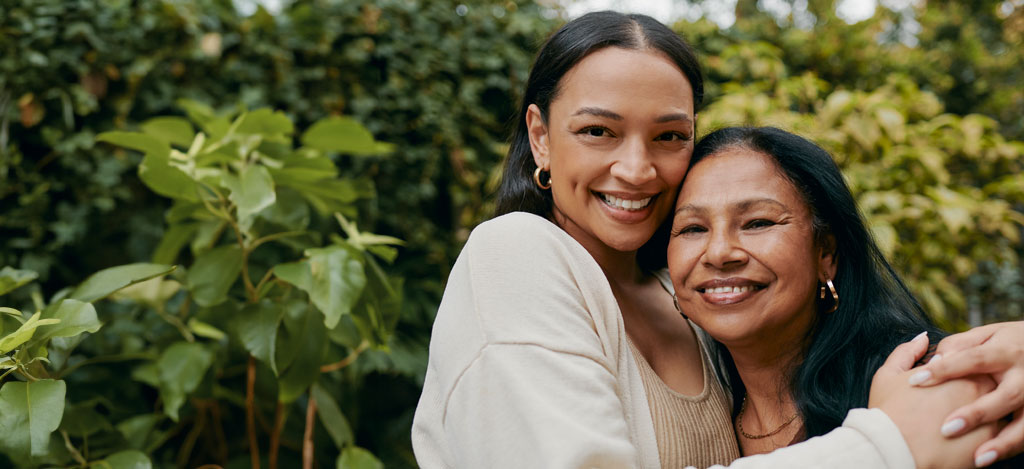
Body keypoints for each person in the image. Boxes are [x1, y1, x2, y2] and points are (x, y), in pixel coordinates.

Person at [412, 10, 1024, 468]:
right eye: (598, 131)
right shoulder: (514, 253)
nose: (636, 169)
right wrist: (887, 444)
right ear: (541, 138)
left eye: (670, 137)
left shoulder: (691, 306)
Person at [665, 126, 1024, 468]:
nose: (719, 252)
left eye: (758, 222)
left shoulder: (938, 386)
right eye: (693, 228)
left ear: (826, 254)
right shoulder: (692, 419)